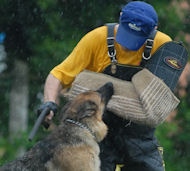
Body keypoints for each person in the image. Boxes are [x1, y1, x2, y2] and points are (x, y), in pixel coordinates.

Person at [39, 1, 173, 171]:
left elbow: (161, 96)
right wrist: (49, 102)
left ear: (154, 29)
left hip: (141, 137)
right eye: (126, 35)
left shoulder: (163, 46)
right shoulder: (96, 39)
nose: (128, 45)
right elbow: (58, 74)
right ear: (121, 18)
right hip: (101, 135)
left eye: (137, 39)